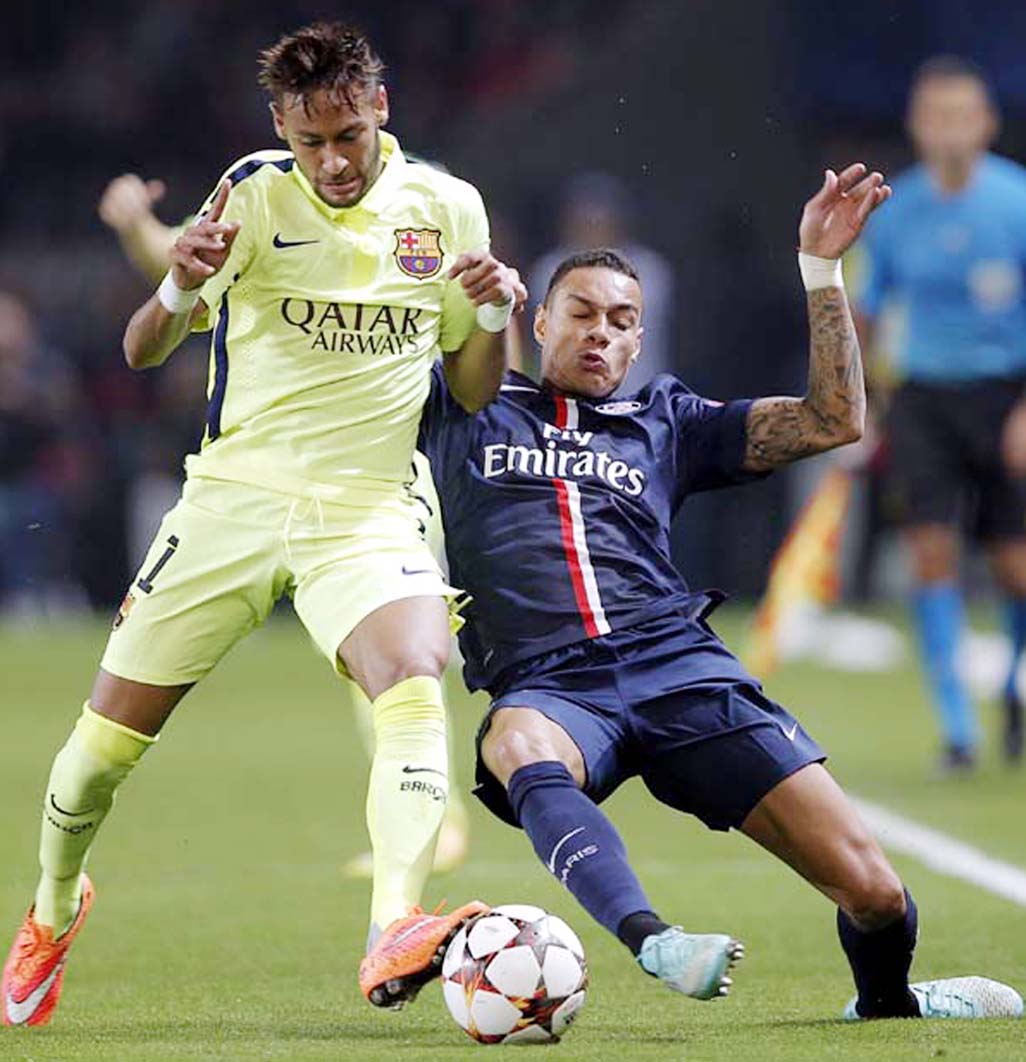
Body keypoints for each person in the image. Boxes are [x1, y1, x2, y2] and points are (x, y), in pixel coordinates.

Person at [2, 21, 523, 1027]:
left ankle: (394, 927)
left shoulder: (447, 207)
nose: (331, 161)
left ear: (381, 108)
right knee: (100, 755)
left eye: (347, 136)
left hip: (366, 509)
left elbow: (471, 384)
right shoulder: (250, 190)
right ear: (283, 128)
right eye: (309, 140)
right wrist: (179, 282)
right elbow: (143, 348)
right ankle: (54, 909)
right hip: (233, 503)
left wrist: (495, 316)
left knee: (416, 673)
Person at [416, 167, 1023, 1019]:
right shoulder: (463, 411)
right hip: (551, 683)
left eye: (621, 322)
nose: (600, 335)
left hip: (681, 671)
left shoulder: (669, 420)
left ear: (640, 341)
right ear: (539, 320)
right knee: (515, 744)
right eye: (581, 315)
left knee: (877, 895)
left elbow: (834, 421)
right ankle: (653, 938)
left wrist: (822, 271)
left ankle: (889, 1003)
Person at [96, 171, 473, 877]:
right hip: (269, 480)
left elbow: (469, 324)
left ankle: (434, 825)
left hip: (380, 482)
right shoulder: (267, 194)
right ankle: (429, 822)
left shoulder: (431, 202)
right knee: (373, 670)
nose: (334, 161)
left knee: (398, 668)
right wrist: (135, 228)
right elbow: (187, 266)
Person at [857, 56, 1026, 771]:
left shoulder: (1017, 202)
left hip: (1008, 395)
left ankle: (1014, 692)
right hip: (923, 397)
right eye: (936, 117)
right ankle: (957, 729)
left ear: (987, 123)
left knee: (1015, 565)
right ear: (917, 127)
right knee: (931, 555)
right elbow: (865, 309)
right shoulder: (896, 210)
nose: (950, 131)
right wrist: (861, 396)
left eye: (963, 115)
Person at [527, 172, 675, 386]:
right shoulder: (548, 270)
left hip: (635, 395)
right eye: (584, 220)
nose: (593, 227)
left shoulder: (651, 271)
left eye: (601, 219)